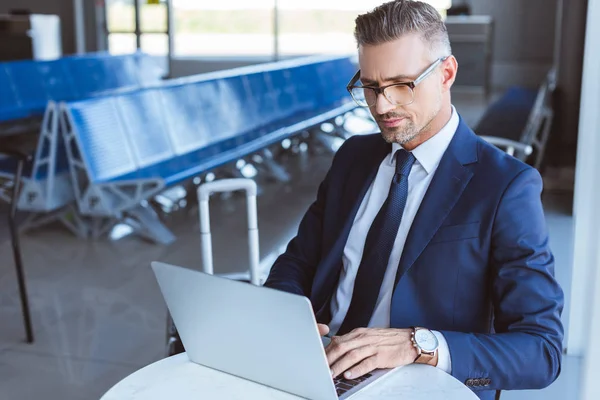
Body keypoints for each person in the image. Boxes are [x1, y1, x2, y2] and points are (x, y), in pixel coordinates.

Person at [264, 1, 564, 399]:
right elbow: (298, 261)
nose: (382, 106)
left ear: (446, 73)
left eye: (402, 84)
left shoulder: (506, 186)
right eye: (370, 87)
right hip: (319, 368)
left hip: (419, 384)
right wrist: (287, 318)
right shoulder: (353, 157)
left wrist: (419, 345)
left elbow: (542, 350)